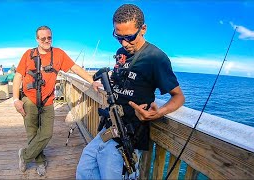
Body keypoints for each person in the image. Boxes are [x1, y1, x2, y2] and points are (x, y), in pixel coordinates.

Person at [76, 4, 185, 179]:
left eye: (129, 37)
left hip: (130, 135)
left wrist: (158, 113)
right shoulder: (121, 52)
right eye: (118, 37)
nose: (124, 43)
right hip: (108, 128)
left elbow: (179, 96)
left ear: (143, 29)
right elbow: (120, 80)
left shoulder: (155, 58)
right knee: (84, 170)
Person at [12, 25, 101, 176]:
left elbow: (75, 68)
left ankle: (25, 155)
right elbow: (18, 76)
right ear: (37, 39)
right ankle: (40, 162)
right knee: (32, 134)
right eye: (43, 38)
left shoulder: (58, 54)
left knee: (46, 134)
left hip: (47, 101)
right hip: (29, 100)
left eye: (49, 38)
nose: (47, 41)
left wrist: (92, 81)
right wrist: (15, 99)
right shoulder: (28, 54)